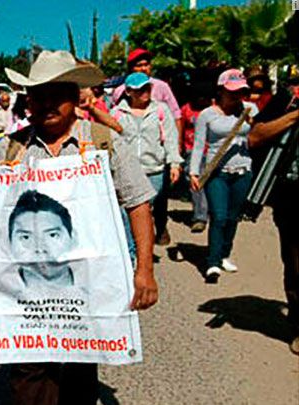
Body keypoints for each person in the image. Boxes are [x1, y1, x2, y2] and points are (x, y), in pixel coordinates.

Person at [0, 51, 158, 405]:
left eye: (56, 96)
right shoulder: (11, 147)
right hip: (26, 281)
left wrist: (145, 269)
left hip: (88, 273)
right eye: (37, 97)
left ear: (75, 98)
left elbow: (139, 202)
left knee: (83, 350)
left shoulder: (102, 142)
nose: (46, 105)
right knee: (30, 362)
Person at [189, 69, 259, 284]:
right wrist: (193, 171)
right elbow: (199, 144)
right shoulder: (207, 115)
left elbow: (260, 135)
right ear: (220, 91)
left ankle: (225, 253)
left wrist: (254, 122)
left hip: (243, 170)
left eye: (241, 92)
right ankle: (212, 262)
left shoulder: (250, 110)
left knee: (232, 216)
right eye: (232, 92)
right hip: (217, 172)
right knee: (218, 217)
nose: (237, 96)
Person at [246, 70, 299, 353]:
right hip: (292, 196)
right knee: (295, 264)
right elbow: (255, 136)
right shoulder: (289, 99)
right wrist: (294, 116)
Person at [111, 72, 183, 246]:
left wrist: (174, 163)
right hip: (127, 171)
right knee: (129, 212)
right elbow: (111, 141)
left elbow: (170, 138)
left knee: (143, 210)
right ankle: (132, 249)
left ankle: (140, 248)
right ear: (128, 92)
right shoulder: (117, 113)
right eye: (140, 89)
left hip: (154, 171)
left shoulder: (160, 110)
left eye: (148, 88)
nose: (145, 92)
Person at [9, 190, 75, 289]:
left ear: (73, 238)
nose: (40, 248)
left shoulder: (100, 285)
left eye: (52, 235)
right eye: (26, 237)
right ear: (9, 242)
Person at [179, 82, 214, 233]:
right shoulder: (186, 109)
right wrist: (179, 148)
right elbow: (180, 129)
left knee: (212, 184)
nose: (201, 100)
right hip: (192, 151)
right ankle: (200, 216)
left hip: (213, 151)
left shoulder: (215, 109)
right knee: (195, 184)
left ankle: (214, 213)